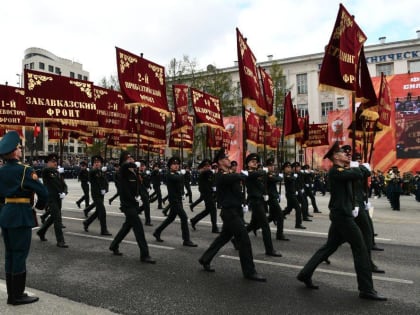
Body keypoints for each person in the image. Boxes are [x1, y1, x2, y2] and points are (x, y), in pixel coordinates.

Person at [297, 141, 387, 301]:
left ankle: (305, 274)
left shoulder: (343, 170)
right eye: (343, 153)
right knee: (360, 248)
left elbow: (359, 178)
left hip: (343, 214)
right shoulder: (335, 172)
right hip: (342, 217)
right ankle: (366, 289)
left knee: (329, 247)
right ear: (336, 157)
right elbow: (358, 174)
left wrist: (360, 169)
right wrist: (361, 166)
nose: (347, 155)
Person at [198, 149, 266, 281]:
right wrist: (254, 172)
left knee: (223, 238)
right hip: (230, 213)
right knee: (244, 240)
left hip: (236, 211)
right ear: (220, 162)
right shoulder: (221, 176)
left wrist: (243, 203)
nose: (229, 160)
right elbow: (238, 177)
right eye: (226, 158)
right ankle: (249, 272)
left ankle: (205, 259)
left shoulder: (230, 174)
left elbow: (237, 189)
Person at [0, 131, 48, 305]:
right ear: (14, 152)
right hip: (20, 215)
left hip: (6, 215)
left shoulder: (1, 171)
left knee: (10, 255)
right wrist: (41, 206)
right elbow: (43, 193)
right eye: (19, 148)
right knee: (20, 254)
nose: (21, 150)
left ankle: (12, 294)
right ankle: (17, 296)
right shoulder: (25, 170)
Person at [109, 151, 155, 264]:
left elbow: (137, 186)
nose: (130, 159)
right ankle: (145, 254)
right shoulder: (123, 171)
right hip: (127, 205)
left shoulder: (134, 172)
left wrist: (138, 195)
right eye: (127, 158)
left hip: (134, 204)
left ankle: (114, 245)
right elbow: (124, 166)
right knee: (138, 227)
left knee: (127, 226)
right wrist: (131, 164)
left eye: (131, 157)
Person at [153, 156, 197, 247]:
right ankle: (186, 240)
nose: (176, 166)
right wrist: (183, 174)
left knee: (171, 218)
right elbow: (178, 179)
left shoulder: (177, 174)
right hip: (174, 200)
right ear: (170, 166)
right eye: (174, 164)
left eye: (177, 164)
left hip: (178, 199)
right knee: (184, 218)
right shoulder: (170, 174)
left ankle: (157, 232)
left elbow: (181, 184)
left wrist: (183, 193)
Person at [243, 153, 282, 257]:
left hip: (261, 201)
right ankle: (269, 249)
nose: (255, 163)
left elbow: (263, 184)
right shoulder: (249, 174)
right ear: (247, 164)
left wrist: (265, 193)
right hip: (255, 202)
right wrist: (264, 171)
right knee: (265, 226)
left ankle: (236, 239)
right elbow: (257, 175)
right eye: (252, 162)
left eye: (256, 162)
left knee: (252, 225)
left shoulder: (258, 173)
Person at [36, 153, 68, 248]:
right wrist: (57, 170)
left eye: (55, 161)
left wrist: (64, 192)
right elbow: (47, 170)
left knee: (53, 217)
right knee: (57, 219)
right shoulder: (46, 171)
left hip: (59, 198)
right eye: (52, 161)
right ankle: (60, 241)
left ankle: (41, 232)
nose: (55, 163)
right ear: (47, 162)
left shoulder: (58, 173)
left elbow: (64, 185)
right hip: (51, 198)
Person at [83, 155, 112, 236]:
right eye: (95, 162)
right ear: (93, 164)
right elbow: (92, 174)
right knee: (102, 211)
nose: (97, 163)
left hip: (101, 194)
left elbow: (106, 182)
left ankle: (86, 222)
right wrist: (97, 169)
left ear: (101, 163)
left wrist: (105, 190)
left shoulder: (101, 172)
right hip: (95, 194)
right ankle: (104, 230)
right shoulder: (92, 172)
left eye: (98, 162)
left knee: (98, 211)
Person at [190, 159, 219, 233]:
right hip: (207, 195)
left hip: (211, 194)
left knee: (208, 210)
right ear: (203, 167)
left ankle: (194, 220)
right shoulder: (203, 174)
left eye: (209, 166)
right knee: (213, 210)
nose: (208, 167)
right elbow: (202, 186)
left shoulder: (210, 173)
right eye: (206, 166)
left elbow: (214, 182)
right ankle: (214, 227)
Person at [265, 158, 289, 241]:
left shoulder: (271, 174)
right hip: (271, 197)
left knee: (271, 217)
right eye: (270, 166)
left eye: (273, 166)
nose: (272, 167)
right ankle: (279, 234)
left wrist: (276, 176)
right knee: (280, 215)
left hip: (274, 196)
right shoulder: (266, 174)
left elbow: (279, 178)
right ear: (267, 166)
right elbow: (277, 179)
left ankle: (253, 227)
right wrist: (276, 176)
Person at [282, 162, 306, 229]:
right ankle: (298, 224)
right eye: (287, 167)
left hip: (293, 194)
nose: (289, 169)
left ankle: (278, 216)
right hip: (290, 195)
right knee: (298, 208)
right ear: (284, 169)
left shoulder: (292, 174)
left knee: (288, 209)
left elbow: (297, 178)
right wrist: (294, 176)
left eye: (290, 167)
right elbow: (291, 179)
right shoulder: (286, 175)